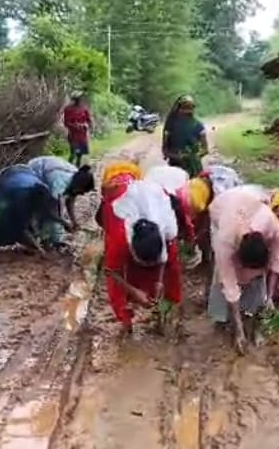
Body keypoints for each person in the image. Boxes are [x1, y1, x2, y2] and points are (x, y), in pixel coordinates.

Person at [100, 173, 182, 336]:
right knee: (122, 283)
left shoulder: (168, 231)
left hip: (156, 198)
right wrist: (133, 291)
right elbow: (110, 270)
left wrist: (159, 282)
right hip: (120, 205)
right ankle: (125, 321)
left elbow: (165, 261)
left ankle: (164, 313)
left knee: (171, 275)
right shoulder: (119, 238)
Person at [207, 185, 279, 354]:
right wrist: (239, 331)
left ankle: (254, 315)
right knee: (223, 274)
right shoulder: (225, 240)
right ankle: (223, 319)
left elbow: (276, 263)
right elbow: (229, 283)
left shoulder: (272, 227)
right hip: (222, 208)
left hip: (252, 198)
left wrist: (269, 297)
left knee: (257, 281)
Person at [26, 156, 95, 249]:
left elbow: (70, 201)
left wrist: (74, 222)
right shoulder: (58, 182)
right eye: (82, 191)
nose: (82, 194)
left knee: (56, 215)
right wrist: (64, 223)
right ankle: (39, 238)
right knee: (41, 210)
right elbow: (51, 211)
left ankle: (52, 239)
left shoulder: (76, 177)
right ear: (78, 186)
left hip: (49, 170)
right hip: (34, 172)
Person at [0, 164, 63, 252]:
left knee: (28, 219)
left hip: (25, 172)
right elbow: (22, 227)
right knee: (5, 215)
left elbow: (49, 212)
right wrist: (38, 249)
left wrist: (64, 223)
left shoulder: (45, 191)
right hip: (8, 184)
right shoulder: (22, 198)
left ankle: (30, 239)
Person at [162, 95, 208, 176]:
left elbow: (205, 149)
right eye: (184, 108)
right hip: (175, 168)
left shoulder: (198, 125)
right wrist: (177, 156)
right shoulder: (170, 125)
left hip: (194, 169)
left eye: (190, 108)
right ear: (178, 109)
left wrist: (193, 157)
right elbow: (165, 150)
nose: (187, 111)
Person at [62, 92, 94, 167]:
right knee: (73, 153)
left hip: (82, 135)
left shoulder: (84, 109)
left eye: (80, 99)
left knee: (80, 154)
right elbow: (66, 122)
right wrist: (75, 126)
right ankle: (68, 167)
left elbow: (89, 120)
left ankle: (77, 167)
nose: (79, 100)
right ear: (74, 99)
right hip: (73, 135)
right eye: (78, 99)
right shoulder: (68, 109)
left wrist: (87, 125)